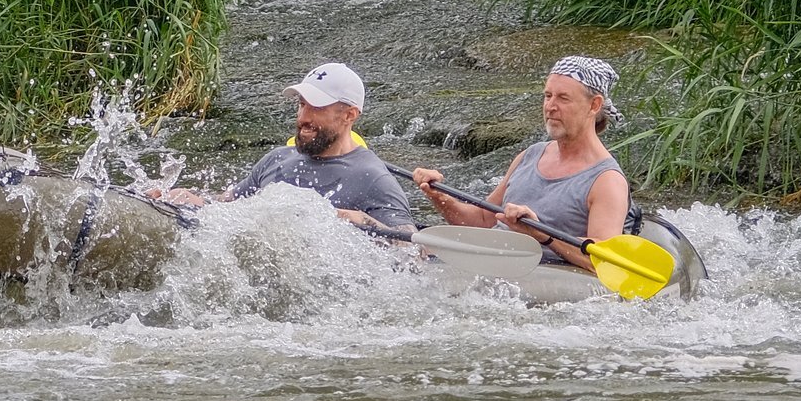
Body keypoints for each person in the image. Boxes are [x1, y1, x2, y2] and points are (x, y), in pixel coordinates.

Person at [412, 55, 631, 272]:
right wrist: (439, 197)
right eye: (548, 96)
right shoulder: (530, 155)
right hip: (493, 265)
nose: (550, 106)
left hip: (541, 279)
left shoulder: (607, 180)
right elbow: (482, 221)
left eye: (563, 98)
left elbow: (604, 260)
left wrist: (541, 234)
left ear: (594, 105)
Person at [151, 62, 416, 233]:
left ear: (350, 115)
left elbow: (411, 250)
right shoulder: (276, 159)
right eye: (302, 104)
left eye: (317, 107)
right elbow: (229, 207)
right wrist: (189, 199)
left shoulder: (373, 178)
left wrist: (354, 220)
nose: (303, 118)